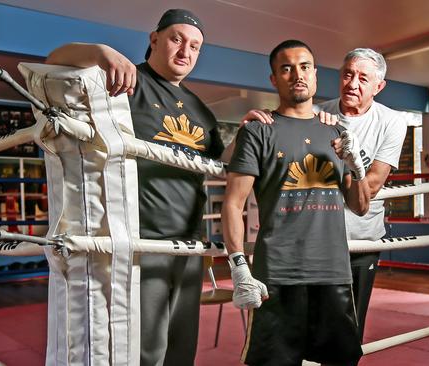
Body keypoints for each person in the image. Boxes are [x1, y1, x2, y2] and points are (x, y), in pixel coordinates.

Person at [46, 9, 268, 366]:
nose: (186, 51)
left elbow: (219, 162)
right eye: (177, 39)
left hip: (189, 241)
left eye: (195, 46)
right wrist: (100, 52)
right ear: (154, 39)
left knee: (182, 346)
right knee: (146, 347)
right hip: (142, 238)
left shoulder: (200, 110)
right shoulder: (126, 83)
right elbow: (54, 61)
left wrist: (244, 135)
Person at [221, 39, 370, 366]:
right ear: (274, 79)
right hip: (277, 274)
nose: (297, 75)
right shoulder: (259, 132)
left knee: (342, 359)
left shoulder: (337, 133)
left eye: (304, 67)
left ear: (315, 75)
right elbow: (233, 203)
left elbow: (359, 206)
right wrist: (238, 267)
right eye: (286, 68)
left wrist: (357, 167)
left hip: (332, 272)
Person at [317, 48, 407, 341]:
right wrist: (259, 118)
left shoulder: (391, 121)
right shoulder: (317, 114)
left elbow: (372, 187)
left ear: (378, 87)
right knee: (311, 325)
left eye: (363, 78)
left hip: (361, 238)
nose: (352, 83)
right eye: (347, 74)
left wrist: (349, 163)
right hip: (316, 237)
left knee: (349, 328)